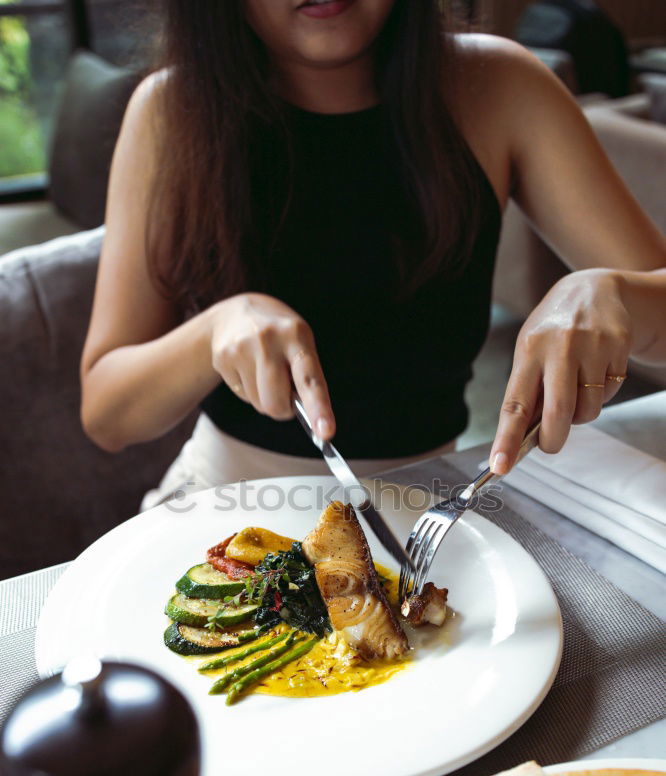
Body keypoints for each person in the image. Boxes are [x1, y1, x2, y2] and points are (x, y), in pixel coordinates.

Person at [80, 0, 666, 506]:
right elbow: (106, 413)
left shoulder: (500, 85)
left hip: (431, 505)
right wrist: (211, 334)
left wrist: (611, 294)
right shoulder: (169, 110)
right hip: (221, 506)